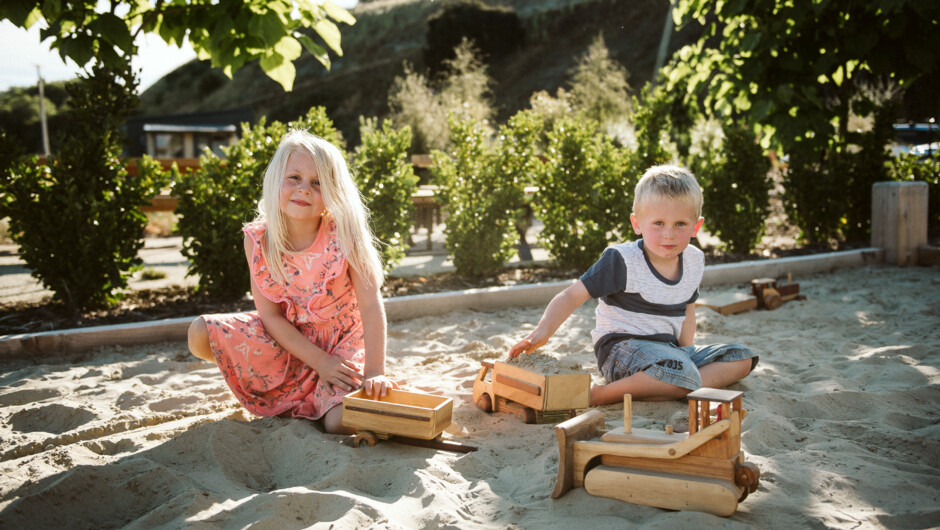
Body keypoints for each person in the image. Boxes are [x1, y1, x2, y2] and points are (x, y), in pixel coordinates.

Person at [187, 130, 396, 434]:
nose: (304, 189)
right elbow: (270, 317)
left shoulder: (344, 234)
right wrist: (318, 362)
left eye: (317, 182)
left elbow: (371, 304)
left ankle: (329, 399)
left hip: (342, 345)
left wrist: (375, 371)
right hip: (289, 344)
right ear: (276, 180)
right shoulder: (258, 240)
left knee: (339, 422)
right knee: (199, 333)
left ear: (333, 191)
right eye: (294, 178)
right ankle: (299, 393)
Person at [509, 165, 757, 406]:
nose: (669, 234)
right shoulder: (622, 260)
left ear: (696, 227)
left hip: (669, 352)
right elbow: (571, 296)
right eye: (658, 223)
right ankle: (601, 395)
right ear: (637, 223)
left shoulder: (694, 260)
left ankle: (676, 384)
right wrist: (541, 333)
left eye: (680, 224)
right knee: (681, 370)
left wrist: (686, 352)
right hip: (621, 351)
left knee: (741, 358)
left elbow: (688, 311)